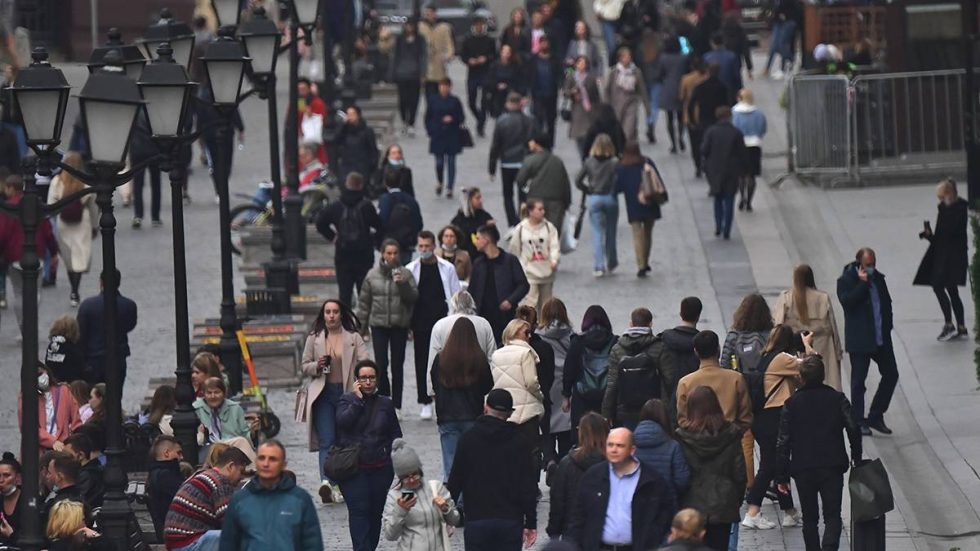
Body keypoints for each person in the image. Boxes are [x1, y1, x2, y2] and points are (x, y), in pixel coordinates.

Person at [776, 355, 863, 551]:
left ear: (801, 377)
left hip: (803, 466)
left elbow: (783, 441)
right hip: (832, 463)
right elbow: (853, 427)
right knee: (832, 514)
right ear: (823, 375)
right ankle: (830, 546)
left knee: (810, 518)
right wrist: (856, 455)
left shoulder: (791, 403)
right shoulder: (837, 399)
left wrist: (781, 475)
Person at [447, 389, 539, 551]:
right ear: (510, 414)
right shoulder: (520, 442)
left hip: (477, 520)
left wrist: (447, 517)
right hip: (510, 521)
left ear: (485, 408)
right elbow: (528, 486)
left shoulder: (468, 439)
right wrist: (531, 522)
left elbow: (455, 480)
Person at [741, 326, 811, 530]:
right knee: (769, 466)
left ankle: (789, 512)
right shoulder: (781, 359)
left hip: (765, 418)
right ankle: (752, 512)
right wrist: (807, 346)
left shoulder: (768, 357)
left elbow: (799, 381)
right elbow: (812, 366)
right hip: (772, 419)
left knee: (780, 465)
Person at [301, 298, 370, 504]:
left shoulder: (353, 338)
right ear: (323, 315)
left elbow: (366, 363)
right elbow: (304, 365)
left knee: (346, 439)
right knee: (327, 440)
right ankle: (327, 483)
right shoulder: (314, 338)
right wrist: (317, 366)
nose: (331, 316)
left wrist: (361, 386)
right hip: (323, 395)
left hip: (346, 393)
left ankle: (343, 482)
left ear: (341, 314)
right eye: (327, 312)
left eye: (335, 312)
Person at [566, 427, 676, 550]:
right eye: (610, 445)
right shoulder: (593, 476)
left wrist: (653, 540)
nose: (614, 450)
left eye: (620, 446)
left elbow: (665, 515)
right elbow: (578, 516)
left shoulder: (651, 480)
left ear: (632, 450)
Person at [335, 361, 403, 551]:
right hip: (353, 469)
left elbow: (396, 434)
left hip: (380, 468)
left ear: (377, 380)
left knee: (375, 513)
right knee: (359, 512)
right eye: (363, 378)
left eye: (371, 378)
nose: (367, 382)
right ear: (356, 381)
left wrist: (395, 460)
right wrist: (357, 401)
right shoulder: (346, 401)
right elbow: (343, 423)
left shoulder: (386, 403)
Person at [675, 386, 746, 551]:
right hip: (723, 504)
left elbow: (680, 473)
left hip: (691, 504)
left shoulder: (682, 437)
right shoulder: (731, 434)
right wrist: (736, 499)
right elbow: (739, 473)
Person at [836, 247, 898, 436]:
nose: (871, 267)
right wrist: (862, 284)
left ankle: (876, 415)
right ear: (859, 263)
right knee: (858, 382)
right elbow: (847, 303)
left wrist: (888, 326)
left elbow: (886, 303)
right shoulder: (846, 280)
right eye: (868, 264)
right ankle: (858, 420)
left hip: (880, 338)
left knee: (891, 374)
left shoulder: (878, 278)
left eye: (873, 264)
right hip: (860, 340)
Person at [219, 441, 323, 551]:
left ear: (283, 465)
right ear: (256, 462)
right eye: (262, 458)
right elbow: (228, 543)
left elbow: (313, 544)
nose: (266, 464)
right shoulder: (240, 501)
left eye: (273, 459)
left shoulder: (300, 500)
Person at [407, 231, 463, 419]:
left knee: (446, 361)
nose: (424, 250)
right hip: (420, 323)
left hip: (443, 322)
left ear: (433, 246)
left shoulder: (447, 268)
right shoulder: (411, 269)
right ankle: (425, 401)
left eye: (427, 246)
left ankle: (445, 398)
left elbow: (455, 294)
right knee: (422, 361)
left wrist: (456, 319)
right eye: (421, 246)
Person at [357, 240, 419, 410]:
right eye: (389, 253)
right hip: (379, 325)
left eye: (395, 253)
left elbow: (413, 298)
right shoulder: (372, 275)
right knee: (381, 364)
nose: (392, 256)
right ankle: (384, 401)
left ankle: (397, 405)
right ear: (383, 254)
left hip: (399, 325)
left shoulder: (406, 274)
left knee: (397, 366)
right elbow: (364, 304)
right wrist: (360, 329)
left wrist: (402, 284)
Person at [430, 317, 494, 478]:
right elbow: (488, 384)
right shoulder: (479, 358)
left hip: (447, 416)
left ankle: (453, 492)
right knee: (472, 463)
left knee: (450, 463)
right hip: (472, 415)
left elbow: (435, 383)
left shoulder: (441, 358)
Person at [0, 174, 58, 341]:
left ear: (11, 188)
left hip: (14, 256)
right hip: (37, 254)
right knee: (35, 292)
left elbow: (2, 233)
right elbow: (47, 230)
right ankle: (31, 324)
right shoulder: (35, 205)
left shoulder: (8, 208)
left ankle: (24, 327)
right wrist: (53, 252)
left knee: (18, 293)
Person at [315, 172, 383, 307]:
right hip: (363, 254)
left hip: (343, 253)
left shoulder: (336, 206)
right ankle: (362, 318)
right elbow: (379, 226)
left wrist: (332, 236)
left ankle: (345, 318)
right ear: (360, 186)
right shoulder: (366, 206)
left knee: (344, 293)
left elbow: (320, 222)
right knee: (364, 292)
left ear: (346, 185)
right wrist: (373, 240)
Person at [915, 177, 969, 341]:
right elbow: (942, 237)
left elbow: (948, 235)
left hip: (951, 258)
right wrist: (929, 235)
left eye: (941, 196)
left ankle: (949, 324)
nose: (940, 200)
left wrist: (932, 236)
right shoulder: (949, 209)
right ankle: (960, 326)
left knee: (939, 287)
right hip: (947, 256)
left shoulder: (955, 210)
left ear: (949, 194)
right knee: (952, 290)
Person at [382, 439, 461, 549]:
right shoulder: (394, 496)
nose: (411, 480)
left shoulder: (436, 488)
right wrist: (401, 510)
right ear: (400, 478)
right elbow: (390, 535)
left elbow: (455, 520)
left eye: (414, 474)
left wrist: (445, 509)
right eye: (406, 477)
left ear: (420, 470)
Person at [165, 446, 249, 551]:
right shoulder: (221, 482)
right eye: (241, 471)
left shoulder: (202, 474)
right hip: (188, 543)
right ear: (231, 466)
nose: (242, 477)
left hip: (176, 543)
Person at [774, 265, 843, 390]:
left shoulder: (786, 298)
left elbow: (778, 325)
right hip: (823, 347)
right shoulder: (822, 298)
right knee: (826, 384)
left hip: (795, 349)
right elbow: (833, 327)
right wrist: (838, 351)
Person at [46, 152, 98, 306]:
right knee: (79, 258)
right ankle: (75, 290)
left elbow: (50, 205)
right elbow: (93, 206)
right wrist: (95, 225)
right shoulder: (86, 182)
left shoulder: (57, 181)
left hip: (63, 223)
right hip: (83, 222)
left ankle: (73, 290)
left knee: (69, 259)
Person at [676, 331, 753, 434]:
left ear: (696, 352)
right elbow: (746, 418)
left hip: (698, 439)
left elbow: (682, 420)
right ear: (718, 349)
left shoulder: (685, 383)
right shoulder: (736, 378)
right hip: (729, 438)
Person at [546, 412, 608, 539]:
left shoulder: (567, 463)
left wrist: (554, 531)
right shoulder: (614, 463)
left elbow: (558, 500)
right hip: (605, 530)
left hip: (573, 530)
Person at [425, 290, 498, 396]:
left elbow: (432, 360)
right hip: (476, 385)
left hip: (448, 385)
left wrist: (431, 390)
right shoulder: (484, 324)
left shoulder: (440, 325)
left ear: (453, 304)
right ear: (472, 304)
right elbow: (492, 358)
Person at [602, 307, 665, 429]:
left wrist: (606, 414)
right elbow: (668, 380)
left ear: (631, 323)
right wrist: (666, 410)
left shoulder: (617, 348)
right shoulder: (659, 347)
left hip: (626, 410)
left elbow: (612, 384)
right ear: (650, 324)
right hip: (653, 410)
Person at [76, 269, 138, 387]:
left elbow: (81, 334)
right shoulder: (129, 305)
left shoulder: (87, 306)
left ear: (101, 282)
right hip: (118, 358)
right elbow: (130, 325)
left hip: (93, 360)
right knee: (116, 393)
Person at [468, 224, 530, 341]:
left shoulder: (510, 261)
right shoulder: (478, 263)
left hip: (505, 317)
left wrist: (510, 300)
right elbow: (472, 290)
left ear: (486, 240)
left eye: (478, 238)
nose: (476, 242)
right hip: (482, 316)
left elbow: (523, 285)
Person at [491, 318, 546, 448]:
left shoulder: (496, 355)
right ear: (514, 332)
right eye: (526, 332)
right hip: (527, 412)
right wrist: (540, 396)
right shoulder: (526, 353)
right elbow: (531, 382)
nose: (529, 336)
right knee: (531, 451)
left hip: (504, 411)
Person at [562, 305, 617, 432]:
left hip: (582, 396)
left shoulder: (577, 342)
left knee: (583, 433)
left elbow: (569, 371)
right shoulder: (614, 341)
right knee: (607, 433)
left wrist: (566, 395)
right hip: (607, 397)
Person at [615, 142, 663, 277]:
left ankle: (640, 264)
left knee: (637, 234)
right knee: (648, 233)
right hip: (650, 200)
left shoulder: (623, 167)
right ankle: (646, 260)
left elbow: (618, 187)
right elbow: (657, 179)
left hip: (633, 204)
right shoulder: (647, 162)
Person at [535, 298, 575, 463]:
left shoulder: (538, 337)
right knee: (565, 429)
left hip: (547, 385)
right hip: (566, 386)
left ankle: (550, 460)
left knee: (547, 428)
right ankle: (564, 462)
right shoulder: (572, 336)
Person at [576, 134, 620, 277]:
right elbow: (619, 179)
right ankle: (612, 262)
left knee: (597, 233)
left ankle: (599, 265)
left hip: (595, 197)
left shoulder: (589, 162)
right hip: (610, 198)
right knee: (611, 232)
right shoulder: (614, 162)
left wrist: (587, 189)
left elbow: (578, 180)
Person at [489, 92, 535, 227]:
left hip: (507, 163)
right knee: (523, 195)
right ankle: (523, 220)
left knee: (508, 195)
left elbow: (495, 145)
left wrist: (492, 168)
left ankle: (512, 222)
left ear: (508, 104)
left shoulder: (501, 121)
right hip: (524, 162)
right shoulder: (529, 121)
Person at [701, 106, 746, 240]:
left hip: (715, 170)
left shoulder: (711, 131)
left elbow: (704, 150)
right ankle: (727, 229)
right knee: (729, 199)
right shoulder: (736, 133)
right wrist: (744, 170)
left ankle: (718, 225)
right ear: (729, 117)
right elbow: (742, 153)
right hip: (732, 171)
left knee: (718, 198)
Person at [508, 199, 560, 310]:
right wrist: (518, 267)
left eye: (543, 209)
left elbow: (554, 245)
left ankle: (545, 320)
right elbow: (514, 249)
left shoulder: (549, 227)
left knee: (546, 303)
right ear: (530, 211)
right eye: (539, 209)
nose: (543, 212)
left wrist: (554, 260)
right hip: (529, 272)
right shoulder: (521, 228)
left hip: (546, 271)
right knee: (531, 302)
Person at [516, 130, 572, 233]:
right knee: (552, 233)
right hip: (556, 203)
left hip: (535, 201)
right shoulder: (557, 161)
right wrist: (567, 203)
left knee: (534, 232)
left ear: (537, 144)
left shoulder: (530, 160)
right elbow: (565, 183)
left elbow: (520, 180)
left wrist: (526, 194)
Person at [19, 365, 81, 453]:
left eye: (40, 373)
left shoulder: (63, 391)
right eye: (35, 377)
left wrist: (75, 444)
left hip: (64, 448)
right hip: (39, 451)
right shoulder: (26, 398)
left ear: (46, 371)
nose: (40, 378)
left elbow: (76, 420)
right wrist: (52, 441)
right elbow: (29, 427)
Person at [659, 297, 702, 422]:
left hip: (668, 401)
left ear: (680, 313)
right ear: (698, 316)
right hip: (696, 402)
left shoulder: (665, 338)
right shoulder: (703, 342)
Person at [634, 399, 690, 496]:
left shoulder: (629, 444)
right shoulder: (673, 446)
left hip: (637, 499)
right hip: (666, 500)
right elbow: (682, 480)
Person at [424, 78, 466, 198]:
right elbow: (428, 117)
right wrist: (431, 130)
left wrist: (453, 119)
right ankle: (440, 181)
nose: (444, 88)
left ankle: (450, 187)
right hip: (438, 134)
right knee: (439, 162)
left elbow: (461, 117)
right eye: (442, 86)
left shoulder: (455, 101)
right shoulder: (433, 100)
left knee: (452, 162)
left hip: (452, 134)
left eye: (446, 86)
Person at [687, 64, 729, 178]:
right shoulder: (722, 87)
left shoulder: (700, 87)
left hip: (703, 120)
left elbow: (691, 104)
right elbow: (727, 104)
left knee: (699, 143)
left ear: (708, 72)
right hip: (717, 120)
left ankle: (699, 165)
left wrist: (692, 120)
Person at [389, 19, 427, 136]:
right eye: (407, 26)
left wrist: (423, 73)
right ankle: (404, 120)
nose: (409, 28)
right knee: (403, 99)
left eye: (411, 26)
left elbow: (423, 56)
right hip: (401, 74)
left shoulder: (420, 39)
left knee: (414, 100)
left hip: (415, 74)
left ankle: (411, 122)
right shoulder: (399, 39)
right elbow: (395, 55)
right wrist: (393, 72)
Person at [194, 378, 251, 454]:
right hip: (207, 449)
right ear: (203, 394)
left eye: (217, 392)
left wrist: (253, 432)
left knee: (241, 441)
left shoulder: (235, 408)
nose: (213, 396)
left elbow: (245, 435)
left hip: (233, 448)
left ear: (224, 393)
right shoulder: (195, 409)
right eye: (209, 393)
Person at [731, 88, 766, 211]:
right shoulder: (759, 114)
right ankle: (749, 202)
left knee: (741, 175)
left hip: (739, 146)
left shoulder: (734, 113)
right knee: (752, 175)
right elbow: (762, 129)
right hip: (754, 145)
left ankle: (742, 197)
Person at [461, 15, 496, 137]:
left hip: (485, 72)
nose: (479, 27)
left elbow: (494, 55)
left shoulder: (489, 40)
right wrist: (469, 61)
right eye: (477, 25)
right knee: (471, 101)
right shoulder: (468, 39)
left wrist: (486, 58)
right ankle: (479, 118)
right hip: (473, 73)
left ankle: (481, 126)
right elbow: (463, 55)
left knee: (485, 101)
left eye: (481, 25)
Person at [379, 171, 424, 265]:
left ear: (385, 183)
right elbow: (419, 223)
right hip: (407, 243)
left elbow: (381, 222)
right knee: (405, 269)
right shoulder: (411, 199)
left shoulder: (385, 199)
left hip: (389, 243)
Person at [606, 47, 650, 144]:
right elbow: (607, 90)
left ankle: (626, 145)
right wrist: (607, 106)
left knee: (628, 130)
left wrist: (647, 107)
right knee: (617, 130)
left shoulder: (636, 72)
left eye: (629, 56)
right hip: (616, 105)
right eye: (624, 57)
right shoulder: (614, 72)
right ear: (620, 58)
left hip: (631, 103)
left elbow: (642, 90)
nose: (627, 59)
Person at [145, 436, 184, 539]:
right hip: (177, 531)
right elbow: (187, 495)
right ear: (167, 453)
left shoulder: (156, 473)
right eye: (178, 453)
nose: (181, 457)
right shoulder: (165, 476)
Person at [563, 56, 601, 160]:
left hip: (589, 111)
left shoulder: (591, 78)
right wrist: (572, 92)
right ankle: (583, 158)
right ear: (576, 64)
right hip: (577, 110)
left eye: (584, 63)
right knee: (579, 137)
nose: (582, 65)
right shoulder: (571, 77)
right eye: (580, 63)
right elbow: (565, 92)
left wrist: (598, 110)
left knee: (588, 135)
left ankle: (586, 157)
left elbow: (596, 96)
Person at [658, 36, 689, 153]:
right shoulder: (683, 58)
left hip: (668, 89)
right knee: (681, 116)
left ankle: (673, 144)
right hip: (681, 87)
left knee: (670, 118)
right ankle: (681, 137)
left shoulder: (663, 58)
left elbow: (660, 73)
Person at [334, 105, 379, 183]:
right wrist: (342, 125)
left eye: (352, 114)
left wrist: (372, 165)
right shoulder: (344, 131)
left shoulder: (367, 131)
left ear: (358, 115)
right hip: (347, 165)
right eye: (348, 114)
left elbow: (373, 149)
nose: (350, 117)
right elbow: (336, 140)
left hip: (362, 165)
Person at [419, 4, 456, 99]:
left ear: (435, 14)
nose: (429, 16)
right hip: (426, 67)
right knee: (429, 95)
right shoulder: (420, 27)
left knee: (440, 95)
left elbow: (449, 45)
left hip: (439, 66)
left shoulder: (444, 28)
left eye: (431, 13)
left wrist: (449, 56)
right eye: (427, 14)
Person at [529, 35, 562, 140]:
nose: (544, 45)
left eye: (546, 43)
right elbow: (528, 75)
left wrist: (563, 82)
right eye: (542, 43)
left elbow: (564, 72)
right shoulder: (533, 59)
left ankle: (550, 141)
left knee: (551, 120)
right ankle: (538, 140)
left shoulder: (555, 59)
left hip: (552, 94)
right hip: (537, 94)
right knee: (538, 118)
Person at [452, 187, 497, 260]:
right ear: (469, 200)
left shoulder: (484, 215)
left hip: (485, 256)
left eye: (480, 198)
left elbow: (496, 237)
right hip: (466, 257)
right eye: (477, 198)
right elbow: (462, 239)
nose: (481, 201)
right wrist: (484, 225)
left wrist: (491, 228)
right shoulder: (459, 220)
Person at [485, 44, 528, 120]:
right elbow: (489, 80)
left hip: (511, 95)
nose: (506, 54)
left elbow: (520, 81)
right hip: (497, 96)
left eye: (508, 52)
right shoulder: (494, 66)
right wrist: (497, 85)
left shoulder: (516, 66)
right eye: (504, 52)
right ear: (501, 53)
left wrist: (523, 95)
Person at [41, 452, 84, 523]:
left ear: (59, 477)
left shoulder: (55, 506)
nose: (47, 476)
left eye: (49, 473)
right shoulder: (83, 499)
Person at [293, 77, 327, 165]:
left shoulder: (317, 102)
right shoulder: (299, 101)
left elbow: (321, 118)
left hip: (312, 138)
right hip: (301, 135)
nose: (301, 92)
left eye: (303, 89)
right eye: (299, 89)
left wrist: (310, 114)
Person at [764, 0, 801, 78]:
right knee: (776, 46)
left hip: (787, 20)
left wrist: (781, 14)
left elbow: (789, 7)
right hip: (779, 21)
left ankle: (788, 62)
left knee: (782, 44)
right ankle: (771, 68)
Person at [45, 316, 88, 383]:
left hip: (52, 382)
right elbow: (82, 369)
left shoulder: (51, 346)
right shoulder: (72, 349)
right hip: (69, 384)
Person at [702, 33, 740, 101]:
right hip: (729, 91)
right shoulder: (732, 56)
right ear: (724, 42)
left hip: (711, 91)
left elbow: (704, 75)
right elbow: (736, 76)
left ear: (712, 43)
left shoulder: (706, 57)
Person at [0, 452, 24, 547]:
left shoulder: (28, 502)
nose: (1, 480)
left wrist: (11, 534)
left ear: (18, 478)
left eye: (6, 475)